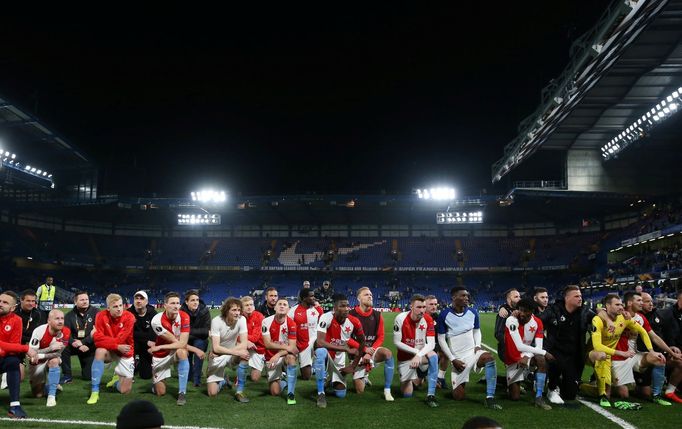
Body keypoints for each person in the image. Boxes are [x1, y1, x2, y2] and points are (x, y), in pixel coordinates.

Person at [609, 291, 679, 405]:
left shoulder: (641, 318)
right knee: (624, 395)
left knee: (659, 358)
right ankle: (606, 385)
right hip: (618, 357)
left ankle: (656, 395)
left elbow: (654, 337)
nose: (642, 303)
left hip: (634, 355)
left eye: (642, 300)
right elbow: (602, 313)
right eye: (639, 300)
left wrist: (670, 352)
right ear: (630, 302)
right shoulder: (618, 314)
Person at [438, 287, 501, 410]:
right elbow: (441, 340)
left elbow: (477, 332)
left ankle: (490, 398)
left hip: (473, 353)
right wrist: (453, 359)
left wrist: (477, 346)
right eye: (463, 296)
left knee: (489, 358)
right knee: (459, 397)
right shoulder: (444, 315)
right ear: (454, 297)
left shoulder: (473, 312)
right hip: (458, 359)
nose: (466, 298)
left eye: (467, 296)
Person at [587, 294, 654, 408]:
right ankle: (601, 393)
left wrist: (651, 350)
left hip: (610, 355)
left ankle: (591, 387)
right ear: (607, 306)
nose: (621, 307)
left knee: (610, 393)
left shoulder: (624, 318)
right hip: (593, 354)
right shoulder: (597, 320)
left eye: (621, 304)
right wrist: (621, 353)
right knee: (602, 355)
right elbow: (597, 346)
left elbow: (642, 331)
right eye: (617, 304)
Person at [538, 285, 595, 404]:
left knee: (570, 395)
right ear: (567, 298)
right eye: (577, 296)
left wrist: (602, 312)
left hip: (574, 355)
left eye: (580, 296)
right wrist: (543, 348)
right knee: (556, 362)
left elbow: (599, 320)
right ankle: (552, 388)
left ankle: (563, 382)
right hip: (555, 352)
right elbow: (536, 322)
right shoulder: (554, 310)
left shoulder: (585, 312)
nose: (580, 298)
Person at [150, 292, 204, 406]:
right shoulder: (157, 321)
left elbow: (182, 343)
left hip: (170, 350)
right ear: (165, 305)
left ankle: (182, 392)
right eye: (172, 303)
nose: (176, 306)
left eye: (178, 303)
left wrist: (160, 346)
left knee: (182, 352)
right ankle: (155, 382)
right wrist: (196, 349)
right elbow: (176, 341)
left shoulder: (184, 316)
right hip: (160, 355)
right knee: (160, 392)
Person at [314, 293, 365, 408]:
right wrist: (345, 348)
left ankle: (330, 380)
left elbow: (362, 342)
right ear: (335, 307)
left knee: (341, 394)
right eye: (342, 306)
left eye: (347, 306)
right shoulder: (325, 317)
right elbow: (320, 342)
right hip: (327, 357)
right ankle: (321, 393)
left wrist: (353, 366)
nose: (346, 309)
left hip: (339, 364)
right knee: (320, 351)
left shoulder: (354, 321)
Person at [502, 298, 553, 410]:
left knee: (541, 359)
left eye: (526, 311)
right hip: (512, 357)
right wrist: (545, 352)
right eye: (520, 310)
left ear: (532, 311)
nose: (522, 313)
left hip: (526, 355)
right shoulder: (511, 320)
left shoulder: (537, 322)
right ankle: (506, 382)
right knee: (514, 397)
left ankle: (539, 397)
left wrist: (527, 356)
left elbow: (538, 347)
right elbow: (519, 346)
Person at [87, 293, 136, 405]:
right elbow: (98, 342)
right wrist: (116, 346)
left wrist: (96, 336)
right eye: (115, 306)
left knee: (125, 390)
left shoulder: (129, 317)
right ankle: (95, 391)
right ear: (108, 308)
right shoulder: (100, 316)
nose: (119, 309)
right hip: (113, 350)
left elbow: (120, 339)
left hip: (126, 352)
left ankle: (116, 380)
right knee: (99, 351)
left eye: (120, 305)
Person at [348, 287, 395, 401]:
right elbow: (347, 338)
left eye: (371, 295)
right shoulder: (351, 315)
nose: (370, 296)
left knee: (388, 353)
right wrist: (364, 350)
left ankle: (387, 390)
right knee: (360, 391)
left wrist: (370, 352)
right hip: (357, 353)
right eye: (366, 295)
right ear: (359, 298)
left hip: (372, 351)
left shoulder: (377, 315)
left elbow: (381, 336)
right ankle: (364, 375)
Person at [393, 294, 439, 408]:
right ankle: (415, 379)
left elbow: (431, 344)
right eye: (419, 307)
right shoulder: (400, 318)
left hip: (421, 355)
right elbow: (397, 342)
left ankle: (431, 395)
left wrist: (419, 354)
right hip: (405, 358)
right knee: (407, 394)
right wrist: (416, 352)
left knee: (433, 356)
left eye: (424, 307)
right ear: (411, 307)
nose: (422, 310)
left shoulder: (428, 319)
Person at [0, 291, 38, 418]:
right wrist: (26, 348)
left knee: (13, 361)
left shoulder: (17, 320)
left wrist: (2, 350)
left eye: (5, 302)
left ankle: (14, 406)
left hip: (3, 357)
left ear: (13, 307)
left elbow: (14, 345)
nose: (0, 304)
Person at [206, 297, 250, 402]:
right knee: (212, 393)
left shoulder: (242, 319)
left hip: (225, 353)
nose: (237, 313)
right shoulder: (216, 321)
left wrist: (233, 352)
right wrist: (232, 351)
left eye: (239, 310)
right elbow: (216, 347)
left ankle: (239, 391)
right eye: (234, 310)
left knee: (244, 353)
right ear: (226, 311)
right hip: (217, 356)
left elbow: (244, 343)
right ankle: (223, 381)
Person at [641, 291, 682, 403]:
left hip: (659, 355)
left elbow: (663, 335)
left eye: (651, 301)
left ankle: (669, 391)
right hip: (641, 356)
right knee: (643, 393)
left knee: (680, 361)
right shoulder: (636, 317)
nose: (651, 304)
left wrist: (671, 347)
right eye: (646, 301)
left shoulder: (658, 315)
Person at [27, 309, 70, 407]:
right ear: (49, 321)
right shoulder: (39, 331)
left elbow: (57, 354)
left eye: (62, 318)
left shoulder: (66, 332)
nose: (60, 321)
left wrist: (42, 355)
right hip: (36, 361)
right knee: (38, 394)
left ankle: (52, 395)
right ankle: (52, 384)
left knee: (54, 361)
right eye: (57, 319)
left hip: (51, 358)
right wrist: (49, 348)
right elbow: (31, 354)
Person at [261, 298, 298, 404]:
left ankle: (291, 393)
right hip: (270, 357)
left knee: (291, 357)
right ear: (275, 307)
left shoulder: (292, 324)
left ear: (288, 309)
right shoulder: (266, 321)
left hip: (282, 355)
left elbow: (292, 348)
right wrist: (287, 347)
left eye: (285, 305)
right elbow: (267, 344)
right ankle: (283, 382)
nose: (282, 306)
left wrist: (278, 355)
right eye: (280, 304)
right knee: (274, 392)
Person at [62, 290, 98, 383]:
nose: (85, 301)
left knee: (88, 377)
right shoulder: (69, 316)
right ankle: (67, 376)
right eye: (82, 300)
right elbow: (66, 334)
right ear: (75, 302)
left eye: (87, 299)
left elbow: (97, 332)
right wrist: (76, 343)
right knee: (63, 346)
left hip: (89, 346)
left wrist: (84, 342)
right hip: (75, 345)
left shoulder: (96, 312)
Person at [288, 288, 323, 380]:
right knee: (306, 377)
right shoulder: (293, 311)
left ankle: (318, 364)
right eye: (311, 296)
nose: (314, 298)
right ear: (304, 298)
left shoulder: (318, 310)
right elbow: (288, 330)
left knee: (321, 346)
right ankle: (308, 365)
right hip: (301, 344)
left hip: (315, 340)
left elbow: (322, 328)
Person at [13, 289, 45, 383]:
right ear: (21, 300)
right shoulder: (14, 312)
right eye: (28, 301)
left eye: (33, 301)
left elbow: (38, 333)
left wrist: (29, 342)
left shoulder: (38, 313)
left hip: (32, 342)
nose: (31, 303)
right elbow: (15, 335)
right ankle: (8, 371)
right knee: (19, 378)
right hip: (16, 344)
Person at [180, 290, 210, 387]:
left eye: (197, 300)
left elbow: (206, 331)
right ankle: (191, 373)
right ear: (186, 302)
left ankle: (197, 379)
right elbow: (180, 332)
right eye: (192, 300)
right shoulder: (181, 312)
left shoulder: (205, 310)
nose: (196, 302)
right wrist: (196, 332)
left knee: (199, 344)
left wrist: (188, 332)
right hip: (186, 340)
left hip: (200, 340)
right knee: (188, 376)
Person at [126, 290, 157, 380]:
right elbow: (128, 333)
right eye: (136, 298)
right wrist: (146, 338)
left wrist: (146, 338)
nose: (138, 301)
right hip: (133, 343)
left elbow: (153, 334)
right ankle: (130, 366)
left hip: (146, 345)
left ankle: (138, 363)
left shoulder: (153, 313)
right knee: (128, 346)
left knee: (146, 376)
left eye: (141, 298)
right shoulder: (128, 314)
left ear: (146, 302)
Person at [425, 294, 448, 388]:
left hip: (434, 347)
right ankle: (423, 374)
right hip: (421, 348)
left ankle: (441, 377)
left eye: (435, 304)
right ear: (425, 305)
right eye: (431, 304)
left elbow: (443, 337)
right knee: (417, 384)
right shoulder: (419, 317)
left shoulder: (439, 318)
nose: (434, 306)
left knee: (446, 351)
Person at [241, 296, 265, 382]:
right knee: (237, 352)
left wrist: (241, 336)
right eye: (246, 305)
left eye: (251, 304)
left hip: (258, 348)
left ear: (254, 306)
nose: (249, 307)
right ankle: (238, 375)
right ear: (242, 308)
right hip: (245, 345)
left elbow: (255, 338)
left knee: (255, 379)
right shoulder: (239, 317)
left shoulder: (259, 316)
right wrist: (246, 341)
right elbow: (233, 334)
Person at [494, 288, 520, 360]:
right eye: (516, 297)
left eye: (519, 296)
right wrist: (511, 344)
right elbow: (498, 334)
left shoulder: (521, 311)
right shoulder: (504, 313)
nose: (519, 299)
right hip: (508, 350)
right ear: (509, 299)